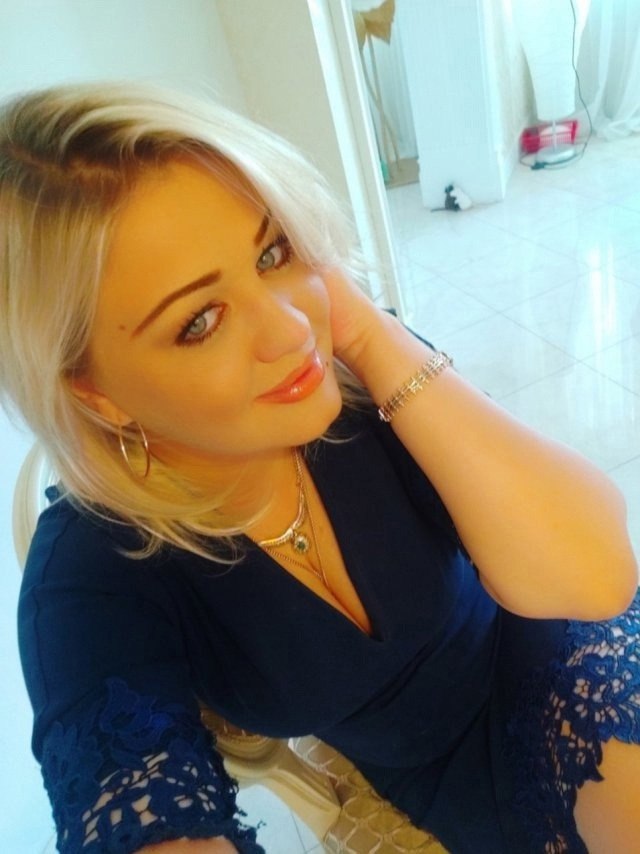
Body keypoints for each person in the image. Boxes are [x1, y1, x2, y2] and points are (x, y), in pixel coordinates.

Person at [1, 82, 639, 854]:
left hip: (554, 638)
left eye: (271, 253)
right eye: (199, 320)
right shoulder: (93, 577)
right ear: (97, 394)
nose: (291, 329)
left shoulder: (351, 373)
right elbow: (132, 794)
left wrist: (367, 333)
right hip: (437, 775)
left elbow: (596, 580)